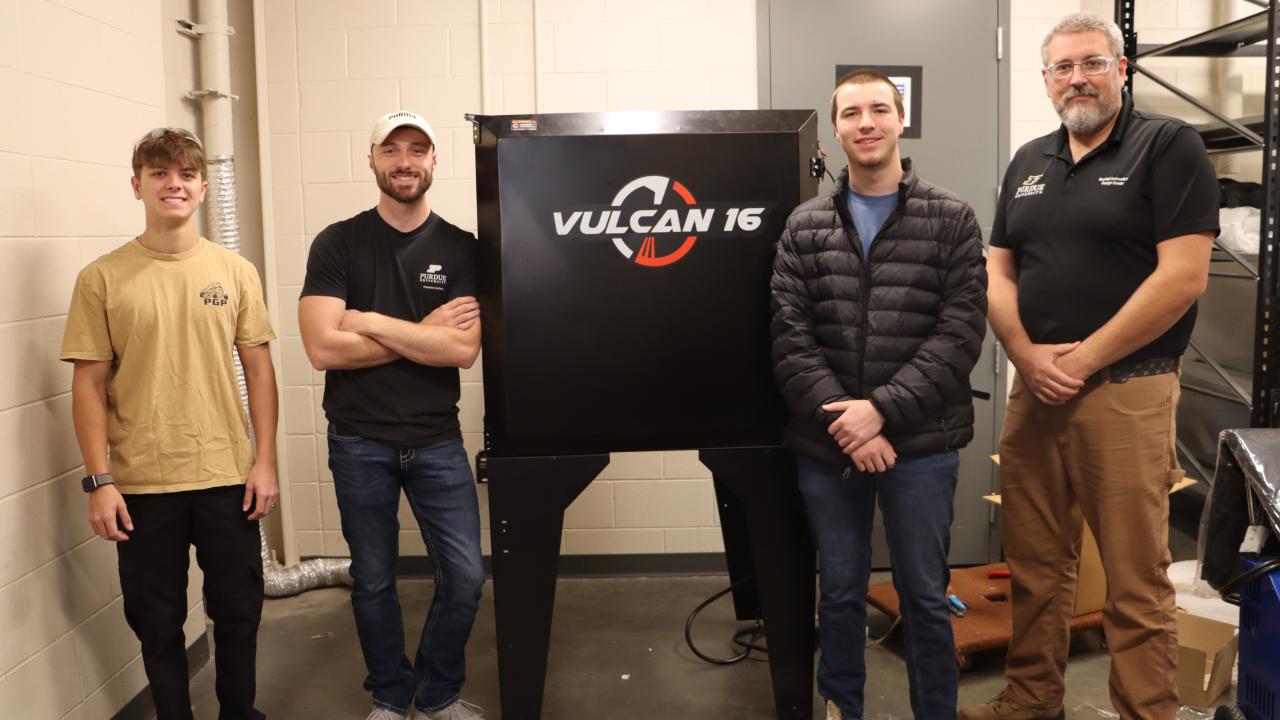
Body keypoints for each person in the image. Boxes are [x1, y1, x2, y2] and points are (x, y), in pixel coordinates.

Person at [959, 13, 1218, 720]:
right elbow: (998, 271)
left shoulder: (1168, 146)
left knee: (1135, 581)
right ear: (1045, 80)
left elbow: (1182, 277)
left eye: (1092, 63)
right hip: (1035, 389)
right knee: (1036, 568)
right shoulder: (1029, 161)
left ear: (1122, 68)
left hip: (1126, 389)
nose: (1077, 77)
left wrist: (1083, 360)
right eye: (1062, 67)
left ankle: (1144, 712)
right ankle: (1032, 698)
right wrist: (1022, 354)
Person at [770, 69, 988, 720]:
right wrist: (849, 423)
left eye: (878, 109)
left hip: (921, 445)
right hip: (829, 446)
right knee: (838, 590)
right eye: (851, 112)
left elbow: (960, 333)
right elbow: (789, 336)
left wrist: (881, 412)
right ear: (835, 129)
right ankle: (843, 709)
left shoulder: (950, 218)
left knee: (924, 593)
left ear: (900, 120)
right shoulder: (805, 225)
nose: (865, 122)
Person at [62, 127, 279, 720]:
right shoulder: (102, 278)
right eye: (159, 173)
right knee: (156, 621)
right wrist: (98, 480)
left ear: (203, 188)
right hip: (139, 485)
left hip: (225, 475)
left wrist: (263, 461)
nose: (173, 184)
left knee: (238, 611)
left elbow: (259, 371)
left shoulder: (236, 272)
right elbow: (88, 384)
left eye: (185, 174)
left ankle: (239, 712)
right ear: (137, 186)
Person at [298, 110, 485, 720]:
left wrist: (372, 320)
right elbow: (323, 349)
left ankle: (436, 693)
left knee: (463, 578)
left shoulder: (461, 248)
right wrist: (420, 333)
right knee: (374, 581)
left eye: (418, 150)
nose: (405, 161)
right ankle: (389, 694)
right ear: (372, 159)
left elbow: (459, 350)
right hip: (358, 441)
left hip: (436, 440)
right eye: (393, 149)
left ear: (434, 162)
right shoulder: (337, 242)